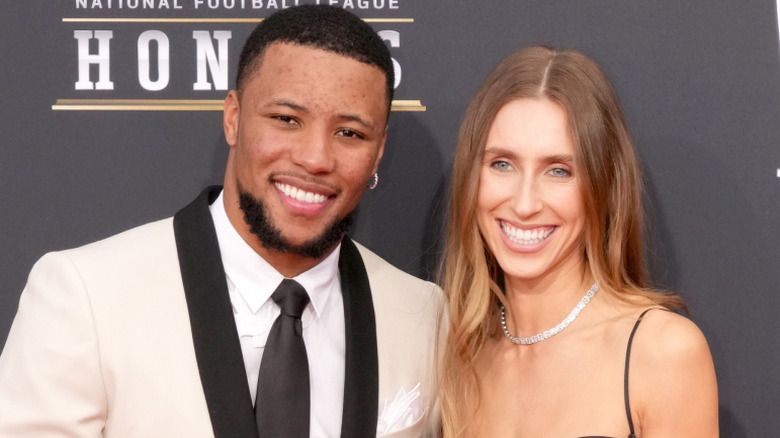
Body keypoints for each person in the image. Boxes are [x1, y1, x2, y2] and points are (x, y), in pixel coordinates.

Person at [0, 5, 442, 438]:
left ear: (378, 150)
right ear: (233, 118)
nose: (315, 158)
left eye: (349, 133)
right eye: (286, 120)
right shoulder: (85, 297)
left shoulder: (423, 317)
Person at [439, 45, 718, 438]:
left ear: (602, 187)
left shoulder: (660, 352)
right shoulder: (458, 359)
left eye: (559, 170)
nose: (523, 203)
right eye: (502, 164)